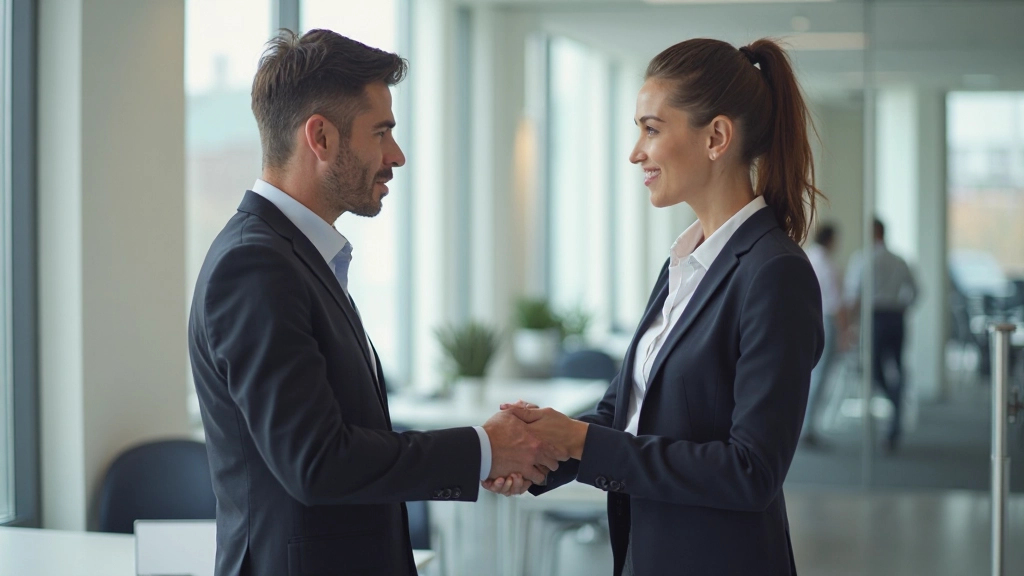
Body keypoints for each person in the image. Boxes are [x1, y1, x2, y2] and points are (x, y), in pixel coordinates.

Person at [188, 29, 562, 576]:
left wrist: (486, 450)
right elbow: (316, 463)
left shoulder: (294, 258)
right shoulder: (256, 266)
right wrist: (483, 449)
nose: (397, 155)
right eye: (381, 132)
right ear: (320, 137)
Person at [487, 38, 824, 575]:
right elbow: (626, 414)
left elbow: (751, 471)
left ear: (716, 137)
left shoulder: (774, 273)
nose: (635, 152)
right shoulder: (683, 264)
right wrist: (536, 450)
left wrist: (580, 441)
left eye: (651, 128)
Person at [844, 217, 918, 452]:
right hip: (896, 317)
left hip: (876, 318)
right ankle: (896, 404)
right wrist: (904, 307)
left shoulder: (862, 258)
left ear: (873, 232)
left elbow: (854, 295)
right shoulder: (899, 260)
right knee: (896, 365)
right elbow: (916, 290)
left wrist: (849, 326)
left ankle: (894, 401)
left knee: (875, 370)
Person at [801, 223, 848, 448]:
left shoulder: (806, 257)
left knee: (808, 376)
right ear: (829, 240)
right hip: (826, 321)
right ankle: (807, 427)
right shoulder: (827, 266)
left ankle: (804, 426)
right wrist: (845, 332)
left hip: (803, 320)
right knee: (819, 377)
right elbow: (836, 304)